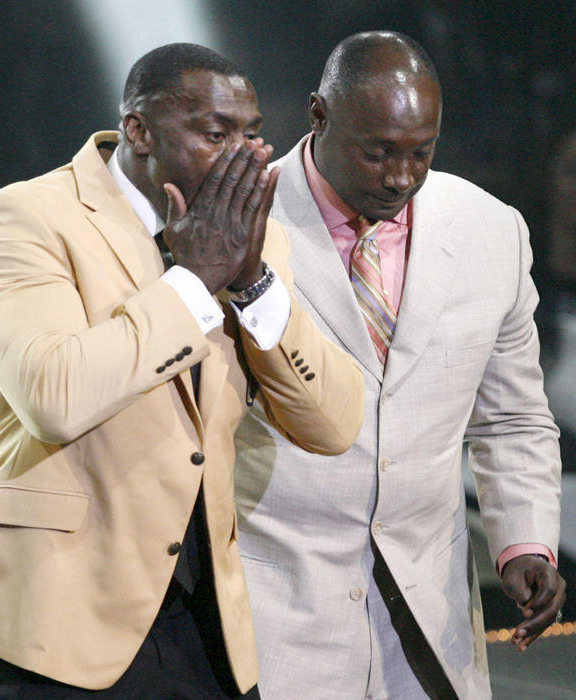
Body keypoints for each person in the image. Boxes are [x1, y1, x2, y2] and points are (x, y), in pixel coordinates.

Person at [0, 43, 365, 699]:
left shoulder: (249, 238)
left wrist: (252, 284)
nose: (243, 154)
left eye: (252, 134)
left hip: (208, 626)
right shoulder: (24, 217)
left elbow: (335, 424)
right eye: (216, 133)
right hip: (62, 619)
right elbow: (53, 393)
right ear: (138, 128)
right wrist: (196, 282)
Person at [234, 31, 565, 699]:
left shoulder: (491, 231)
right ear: (318, 115)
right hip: (273, 598)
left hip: (429, 604)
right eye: (378, 151)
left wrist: (524, 540)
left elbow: (513, 417)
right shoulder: (237, 217)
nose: (400, 176)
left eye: (421, 152)